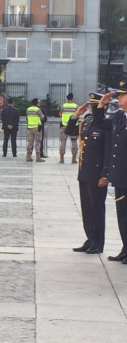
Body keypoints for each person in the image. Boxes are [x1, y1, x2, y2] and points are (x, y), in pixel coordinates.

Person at [66, 94, 110, 255]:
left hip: (97, 173)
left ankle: (98, 242)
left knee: (97, 209)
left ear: (103, 106)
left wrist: (105, 174)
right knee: (87, 209)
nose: (91, 108)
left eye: (95, 105)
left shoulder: (105, 124)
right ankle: (90, 238)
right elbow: (70, 131)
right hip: (84, 172)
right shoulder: (87, 121)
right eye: (91, 105)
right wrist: (76, 115)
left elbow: (108, 151)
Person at [94, 90, 127, 262]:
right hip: (120, 175)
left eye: (123, 95)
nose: (119, 98)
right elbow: (100, 123)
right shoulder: (120, 117)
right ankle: (125, 248)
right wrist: (101, 105)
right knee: (122, 215)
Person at [59, 93, 78, 163]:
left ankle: (61, 158)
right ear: (72, 98)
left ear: (67, 98)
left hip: (64, 125)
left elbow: (60, 113)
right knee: (74, 142)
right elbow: (78, 114)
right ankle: (73, 158)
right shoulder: (76, 106)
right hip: (73, 126)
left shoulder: (63, 106)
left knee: (63, 141)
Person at [26, 98, 46, 162]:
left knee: (30, 142)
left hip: (30, 127)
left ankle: (28, 156)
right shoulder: (38, 109)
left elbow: (27, 118)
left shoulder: (28, 109)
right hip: (37, 128)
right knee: (37, 142)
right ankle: (38, 157)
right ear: (37, 103)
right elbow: (42, 117)